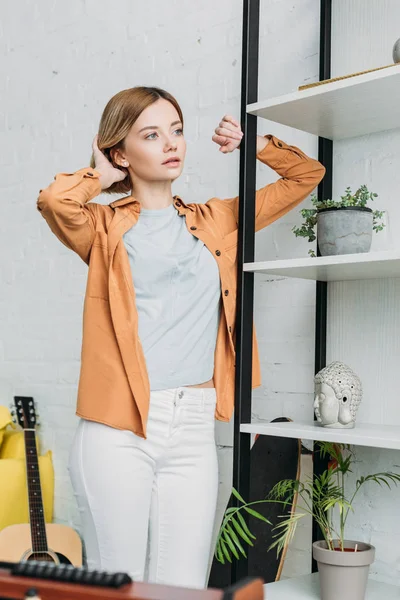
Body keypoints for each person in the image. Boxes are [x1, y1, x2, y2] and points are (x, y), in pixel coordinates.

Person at [37, 86, 325, 588]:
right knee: (119, 585)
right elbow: (54, 201)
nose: (171, 143)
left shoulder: (216, 221)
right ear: (121, 152)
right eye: (151, 134)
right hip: (118, 428)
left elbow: (308, 176)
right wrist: (102, 173)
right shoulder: (103, 227)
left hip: (193, 428)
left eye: (176, 130)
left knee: (184, 588)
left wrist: (253, 143)